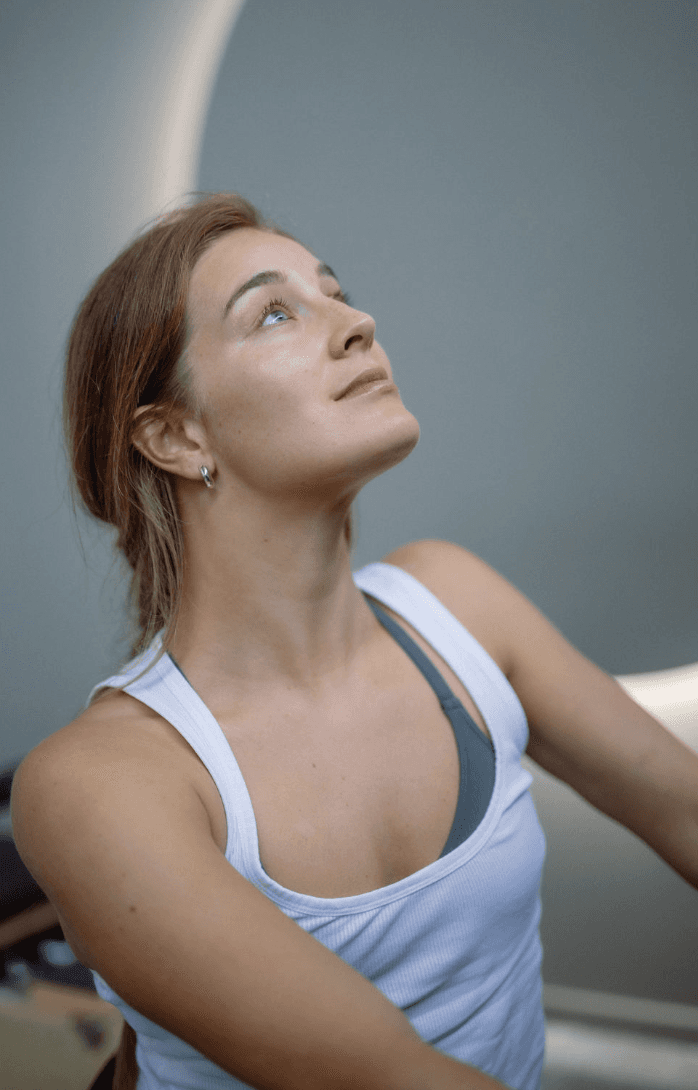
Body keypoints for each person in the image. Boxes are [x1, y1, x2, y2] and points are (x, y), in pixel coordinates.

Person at [10, 193, 698, 1090]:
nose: (356, 323)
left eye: (336, 292)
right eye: (276, 313)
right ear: (176, 436)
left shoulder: (455, 605)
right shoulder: (99, 785)